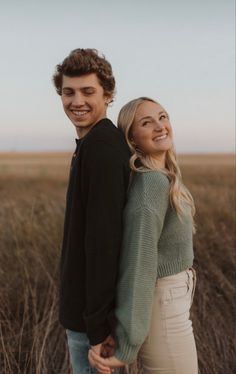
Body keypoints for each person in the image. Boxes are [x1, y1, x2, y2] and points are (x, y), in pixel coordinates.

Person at [89, 97, 198, 374]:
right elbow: (139, 265)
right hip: (163, 306)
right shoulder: (150, 184)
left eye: (163, 117)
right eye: (146, 123)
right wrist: (128, 345)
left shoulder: (162, 176)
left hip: (172, 301)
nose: (160, 126)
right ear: (133, 139)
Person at [52, 48, 130, 374]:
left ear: (108, 95)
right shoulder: (89, 144)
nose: (77, 101)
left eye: (88, 91)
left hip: (90, 324)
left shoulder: (102, 147)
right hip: (86, 317)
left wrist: (98, 327)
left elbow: (104, 242)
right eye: (68, 92)